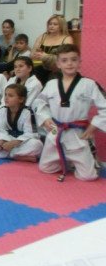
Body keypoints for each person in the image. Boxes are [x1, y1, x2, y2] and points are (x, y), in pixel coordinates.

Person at [35, 44, 106, 181]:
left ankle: (91, 160)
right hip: (56, 131)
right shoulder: (51, 84)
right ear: (58, 63)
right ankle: (67, 160)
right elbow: (39, 103)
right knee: (45, 168)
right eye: (64, 60)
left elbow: (104, 107)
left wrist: (94, 125)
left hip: (77, 133)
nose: (69, 63)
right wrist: (45, 118)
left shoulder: (89, 84)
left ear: (80, 62)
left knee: (88, 177)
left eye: (74, 60)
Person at [0, 84, 43, 162]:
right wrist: (2, 141)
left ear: (21, 99)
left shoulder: (28, 112)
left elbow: (31, 134)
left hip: (21, 142)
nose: (6, 98)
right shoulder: (2, 110)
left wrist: (14, 143)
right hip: (7, 139)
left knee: (37, 145)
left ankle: (10, 155)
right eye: (5, 95)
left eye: (10, 96)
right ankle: (16, 156)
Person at [31, 14, 73, 84]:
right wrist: (35, 55)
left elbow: (66, 58)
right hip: (39, 67)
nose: (51, 26)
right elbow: (32, 54)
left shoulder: (67, 39)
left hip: (57, 70)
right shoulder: (42, 36)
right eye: (50, 24)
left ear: (61, 26)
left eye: (55, 24)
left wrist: (46, 56)